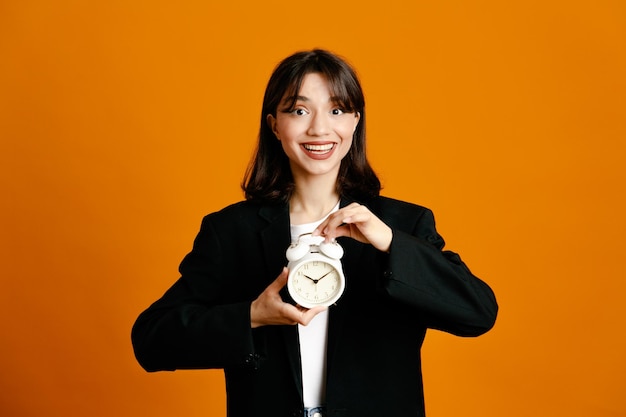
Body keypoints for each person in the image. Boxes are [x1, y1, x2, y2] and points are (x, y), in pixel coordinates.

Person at [131, 49, 498, 417]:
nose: (319, 129)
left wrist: (389, 243)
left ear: (355, 121)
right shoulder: (232, 231)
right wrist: (253, 315)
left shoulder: (400, 224)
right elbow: (151, 340)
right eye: (299, 110)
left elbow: (478, 313)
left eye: (337, 110)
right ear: (275, 125)